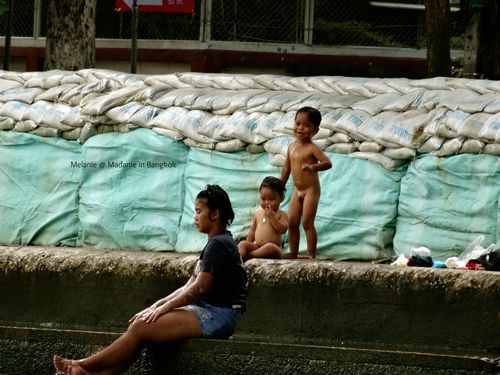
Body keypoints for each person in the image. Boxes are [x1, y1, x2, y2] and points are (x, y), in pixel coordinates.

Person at [53, 185, 248, 375]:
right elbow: (188, 285)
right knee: (143, 325)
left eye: (199, 211)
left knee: (140, 327)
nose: (195, 217)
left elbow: (198, 289)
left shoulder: (219, 244)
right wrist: (156, 306)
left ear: (214, 214)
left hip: (218, 316)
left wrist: (163, 309)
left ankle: (82, 365)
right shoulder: (216, 243)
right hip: (210, 311)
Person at [280, 106, 332, 259]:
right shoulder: (291, 147)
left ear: (315, 131)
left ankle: (310, 254)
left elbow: (328, 163)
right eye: (297, 123)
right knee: (292, 223)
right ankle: (294, 252)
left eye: (306, 125)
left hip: (311, 190)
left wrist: (313, 167)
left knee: (307, 222)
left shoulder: (312, 148)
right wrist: (280, 187)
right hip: (298, 190)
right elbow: (286, 168)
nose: (300, 128)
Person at [238, 176, 288, 261]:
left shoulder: (282, 214)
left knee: (269, 247)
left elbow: (283, 229)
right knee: (242, 244)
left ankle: (249, 256)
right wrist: (248, 243)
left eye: (271, 199)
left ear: (281, 198)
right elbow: (252, 231)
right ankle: (238, 259)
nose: (267, 202)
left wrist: (273, 218)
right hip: (257, 247)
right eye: (263, 199)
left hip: (274, 250)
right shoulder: (258, 213)